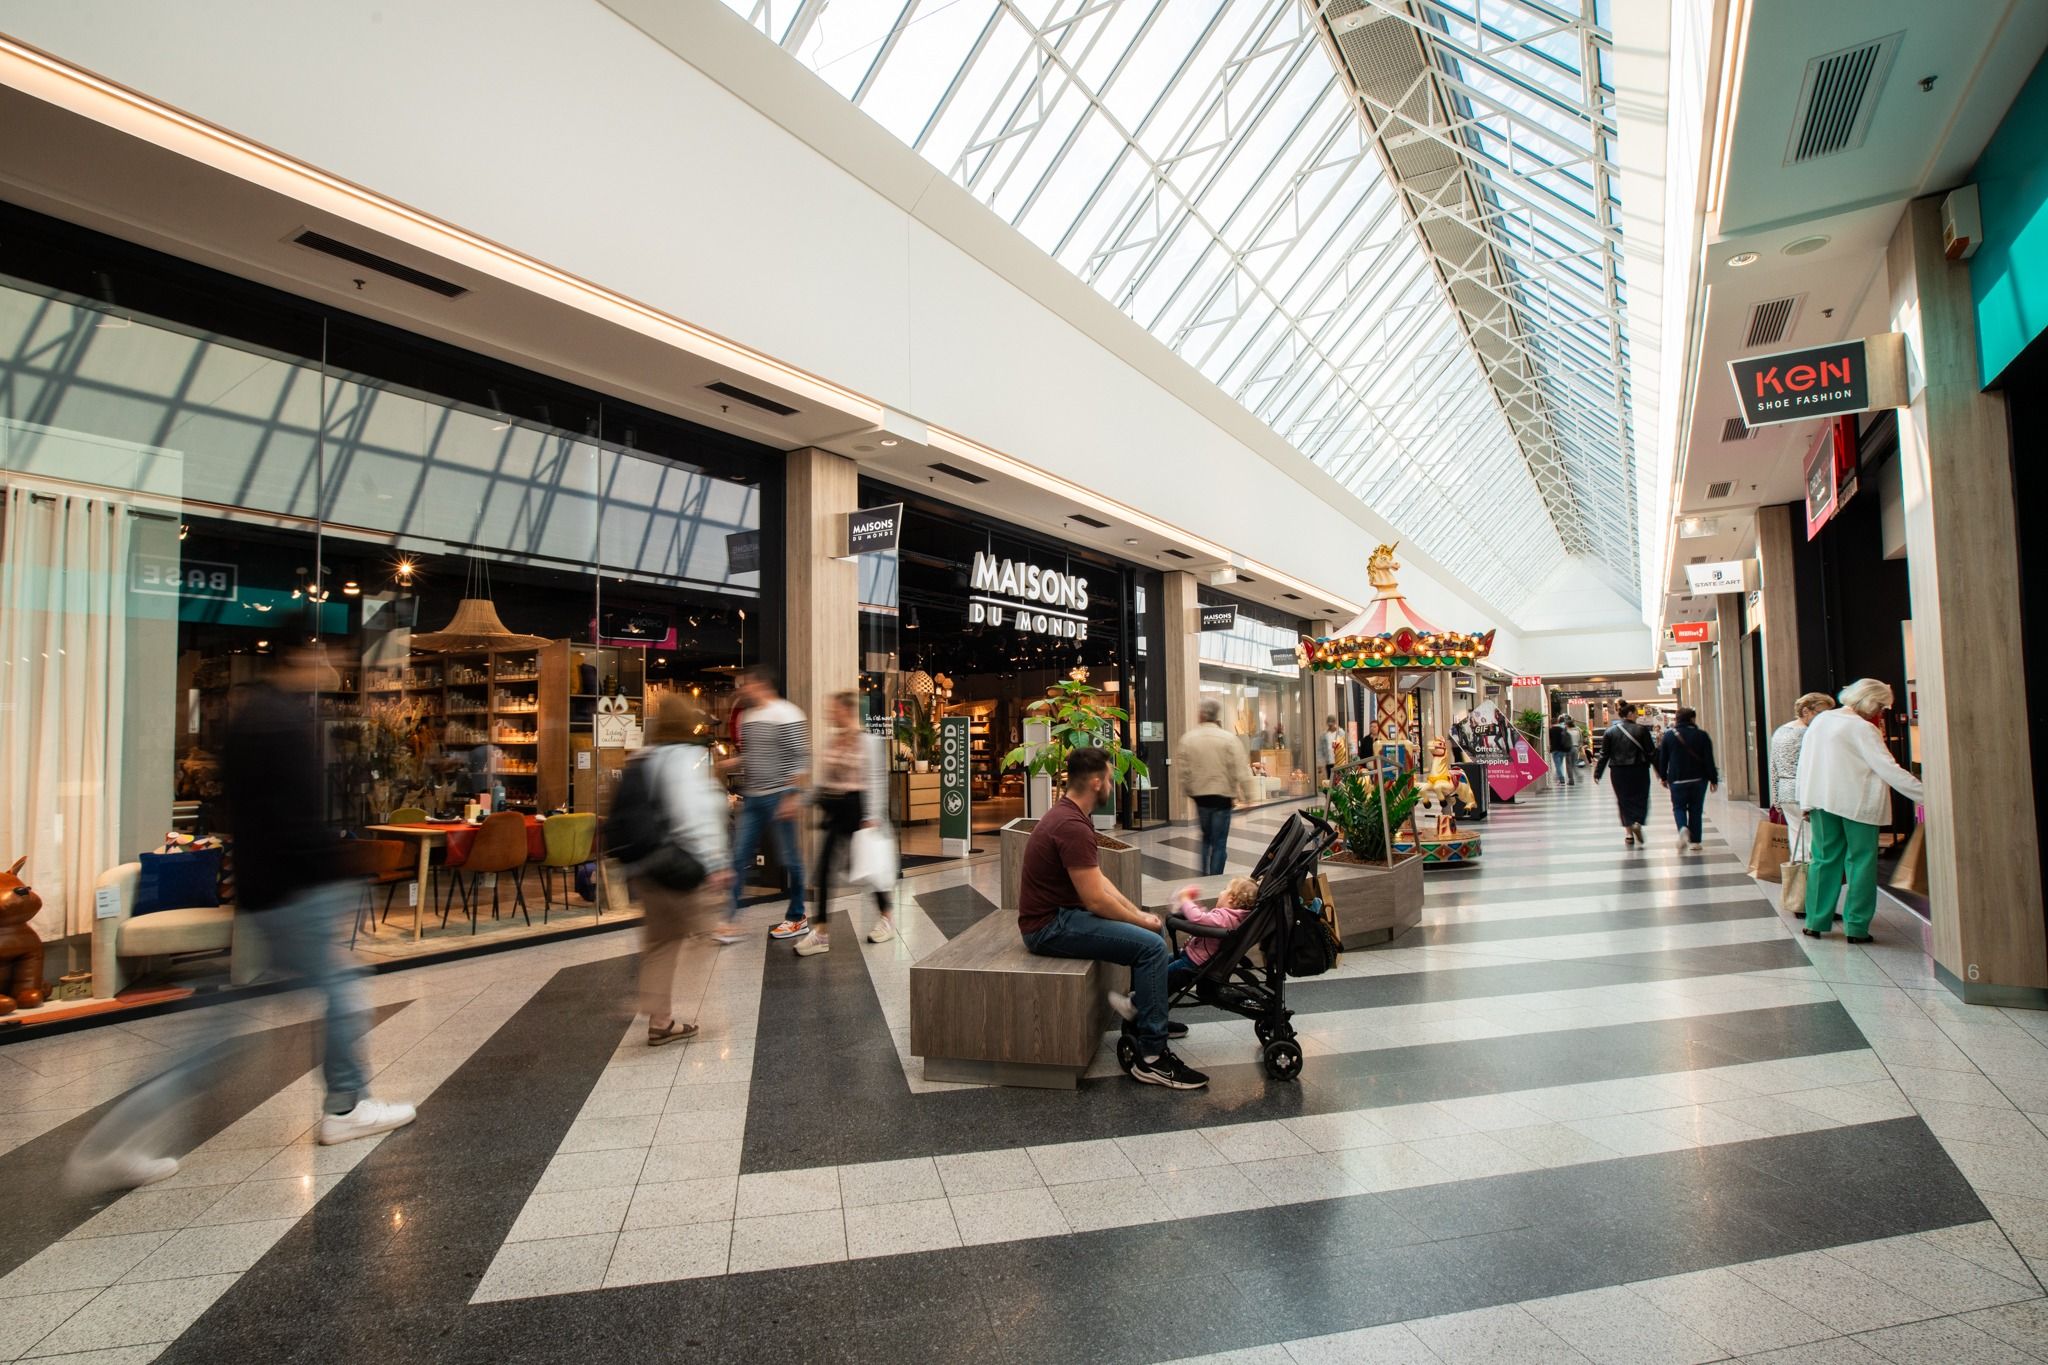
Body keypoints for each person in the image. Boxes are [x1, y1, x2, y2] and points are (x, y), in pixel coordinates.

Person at [66, 642, 414, 1192]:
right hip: (294, 894)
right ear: (299, 658)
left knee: (228, 1027)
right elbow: (291, 818)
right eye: (324, 657)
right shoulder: (280, 723)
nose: (333, 668)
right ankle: (347, 1106)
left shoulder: (252, 718)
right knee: (337, 995)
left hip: (268, 892)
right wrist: (331, 870)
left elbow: (251, 816)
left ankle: (119, 1140)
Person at [1019, 748, 1205, 1090]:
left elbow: (1100, 881)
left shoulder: (1072, 815)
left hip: (1063, 915)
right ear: (1095, 782)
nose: (1111, 784)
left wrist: (1138, 914)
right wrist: (1139, 921)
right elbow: (1095, 899)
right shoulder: (1071, 825)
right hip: (1049, 926)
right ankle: (1152, 1057)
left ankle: (1146, 1016)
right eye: (1108, 778)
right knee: (1151, 946)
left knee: (1152, 930)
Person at [1797, 679, 1924, 944]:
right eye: (1880, 706)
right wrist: (1926, 795)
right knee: (1861, 863)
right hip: (1858, 804)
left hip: (1821, 800)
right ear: (1870, 702)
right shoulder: (1863, 728)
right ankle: (1856, 927)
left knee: (1823, 860)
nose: (1880, 712)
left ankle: (1815, 921)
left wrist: (1804, 801)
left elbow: (1806, 763)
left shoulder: (1821, 721)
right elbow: (1887, 768)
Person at [721, 666, 811, 942]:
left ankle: (797, 917)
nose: (742, 689)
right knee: (739, 856)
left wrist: (792, 796)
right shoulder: (748, 716)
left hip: (780, 795)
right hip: (753, 797)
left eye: (746, 684)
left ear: (760, 685)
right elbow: (753, 756)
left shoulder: (787, 713)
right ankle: (728, 921)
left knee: (790, 859)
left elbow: (801, 757)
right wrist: (732, 763)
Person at [802, 691, 895, 956]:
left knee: (870, 869)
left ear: (847, 711)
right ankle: (821, 933)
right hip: (836, 812)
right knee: (823, 870)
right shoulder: (833, 741)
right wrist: (804, 799)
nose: (829, 714)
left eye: (834, 709)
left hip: (859, 810)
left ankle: (887, 918)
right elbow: (824, 781)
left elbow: (877, 779)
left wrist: (872, 816)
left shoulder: (868, 741)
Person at [1179, 700, 1256, 876]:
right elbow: (1241, 769)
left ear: (1201, 715)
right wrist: (1249, 797)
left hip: (1201, 798)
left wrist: (1189, 790)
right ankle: (1214, 879)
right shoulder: (1229, 739)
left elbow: (1184, 770)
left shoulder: (1188, 739)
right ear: (1216, 716)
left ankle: (1204, 876)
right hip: (1222, 798)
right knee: (1219, 842)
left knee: (1205, 839)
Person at [1769, 691, 1836, 854]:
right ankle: (1811, 871)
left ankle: (1799, 870)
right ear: (1806, 711)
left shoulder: (1781, 731)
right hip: (1806, 793)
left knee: (1797, 840)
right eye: (1821, 714)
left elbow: (1774, 766)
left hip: (1786, 792)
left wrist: (1776, 799)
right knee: (1813, 842)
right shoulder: (1809, 734)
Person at [1594, 702, 1657, 845]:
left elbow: (1604, 754)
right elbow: (1651, 753)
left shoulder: (1610, 732)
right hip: (1639, 769)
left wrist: (1598, 773)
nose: (1637, 716)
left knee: (1623, 799)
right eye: (1636, 713)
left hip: (1618, 771)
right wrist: (1661, 772)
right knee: (1641, 797)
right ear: (1630, 713)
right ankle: (1637, 822)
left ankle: (1629, 833)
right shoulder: (1641, 730)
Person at [1656, 707, 1719, 849]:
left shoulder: (1669, 736)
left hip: (1677, 778)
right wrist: (1713, 779)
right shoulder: (1702, 735)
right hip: (1699, 779)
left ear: (1677, 720)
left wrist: (1663, 777)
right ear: (1692, 719)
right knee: (1696, 809)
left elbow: (1663, 759)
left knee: (1678, 807)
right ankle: (1695, 842)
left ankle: (1683, 827)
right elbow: (1709, 759)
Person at [1547, 714, 1574, 785]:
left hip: (1555, 750)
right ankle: (1560, 778)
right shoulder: (1562, 729)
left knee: (1557, 765)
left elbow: (1550, 740)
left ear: (1551, 723)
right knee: (1560, 764)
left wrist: (1550, 747)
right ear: (1557, 722)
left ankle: (1561, 779)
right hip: (1562, 749)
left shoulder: (1551, 730)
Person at [1318, 716, 1343, 785]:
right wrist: (1320, 764)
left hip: (1340, 761)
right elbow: (1320, 750)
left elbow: (1349, 745)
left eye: (1332, 724)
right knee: (1331, 781)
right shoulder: (1324, 735)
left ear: (1335, 723)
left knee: (1340, 781)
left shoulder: (1341, 733)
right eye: (1329, 724)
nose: (1330, 726)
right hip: (1329, 762)